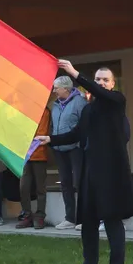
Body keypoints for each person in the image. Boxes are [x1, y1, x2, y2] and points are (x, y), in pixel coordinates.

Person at [36, 60, 133, 264]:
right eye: (98, 79)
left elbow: (97, 92)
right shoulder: (89, 109)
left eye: (105, 79)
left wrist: (74, 73)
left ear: (112, 84)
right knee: (89, 221)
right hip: (90, 171)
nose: (101, 83)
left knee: (112, 219)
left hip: (111, 171)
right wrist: (50, 138)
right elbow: (76, 134)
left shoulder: (116, 101)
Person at [50, 76, 87, 230]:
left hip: (75, 149)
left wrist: (80, 143)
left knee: (79, 183)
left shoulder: (80, 102)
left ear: (66, 89)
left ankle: (83, 219)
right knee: (65, 183)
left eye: (56, 88)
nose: (54, 91)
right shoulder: (55, 105)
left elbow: (85, 126)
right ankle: (70, 218)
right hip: (59, 150)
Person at [17, 106, 51, 229]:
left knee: (40, 188)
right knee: (23, 187)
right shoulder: (25, 111)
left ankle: (40, 216)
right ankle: (27, 215)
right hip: (25, 156)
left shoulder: (44, 112)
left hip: (39, 155)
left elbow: (41, 134)